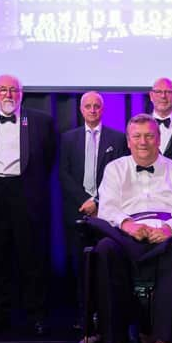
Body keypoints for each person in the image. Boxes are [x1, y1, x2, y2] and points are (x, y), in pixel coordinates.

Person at [91, 114, 172, 343]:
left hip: (167, 239)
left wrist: (169, 228)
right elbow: (107, 209)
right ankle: (113, 342)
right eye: (137, 136)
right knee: (104, 248)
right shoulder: (115, 169)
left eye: (149, 136)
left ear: (158, 139)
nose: (143, 142)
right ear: (128, 141)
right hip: (126, 235)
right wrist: (128, 224)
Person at [0, 75, 56, 336]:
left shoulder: (42, 121)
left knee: (32, 259)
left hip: (26, 193)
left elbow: (49, 158)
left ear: (22, 93)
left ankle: (37, 316)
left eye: (14, 90)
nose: (8, 94)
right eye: (3, 90)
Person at [59, 91, 128, 325]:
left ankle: (107, 313)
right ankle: (85, 314)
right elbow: (64, 174)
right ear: (81, 110)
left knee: (106, 264)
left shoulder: (117, 139)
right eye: (87, 106)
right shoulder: (68, 138)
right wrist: (85, 201)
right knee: (80, 265)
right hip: (76, 211)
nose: (92, 110)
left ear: (103, 109)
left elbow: (120, 175)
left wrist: (97, 201)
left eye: (96, 106)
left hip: (106, 212)